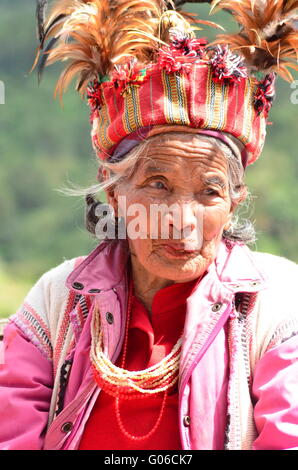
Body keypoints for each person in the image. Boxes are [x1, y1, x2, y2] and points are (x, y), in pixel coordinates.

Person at [0, 0, 298, 450]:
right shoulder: (56, 302)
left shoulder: (278, 308)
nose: (183, 220)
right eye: (157, 184)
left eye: (209, 192)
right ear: (114, 192)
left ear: (236, 201)